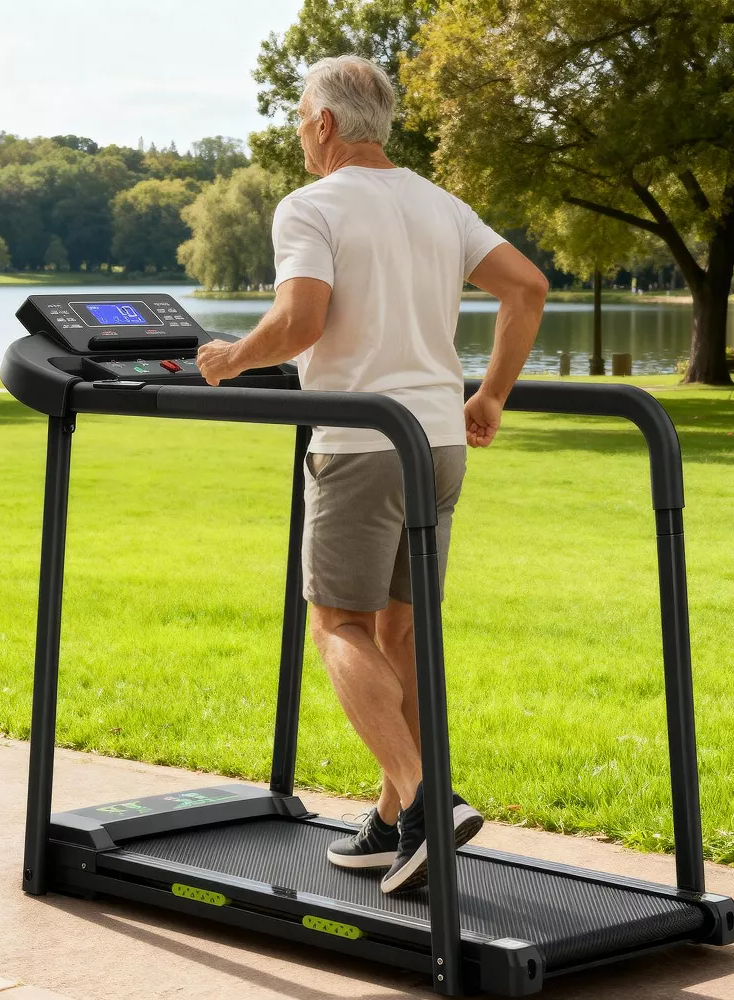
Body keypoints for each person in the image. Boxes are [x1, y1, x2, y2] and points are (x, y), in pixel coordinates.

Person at [197, 55, 547, 893]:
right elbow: (528, 288)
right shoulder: (439, 202)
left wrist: (230, 359)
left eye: (298, 126)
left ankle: (428, 801)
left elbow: (299, 319)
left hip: (361, 445)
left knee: (339, 627)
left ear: (323, 124)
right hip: (437, 446)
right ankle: (395, 822)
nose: (299, 140)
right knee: (402, 630)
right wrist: (491, 394)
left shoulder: (311, 205)